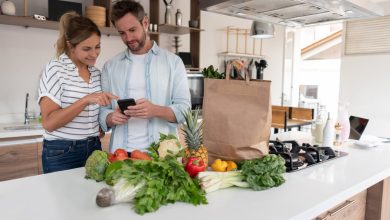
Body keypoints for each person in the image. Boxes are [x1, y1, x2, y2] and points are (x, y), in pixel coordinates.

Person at [99, 0, 191, 153]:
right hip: (121, 155)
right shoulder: (110, 66)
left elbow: (185, 111)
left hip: (162, 155)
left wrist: (155, 110)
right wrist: (110, 117)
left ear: (145, 23)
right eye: (122, 33)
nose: (128, 38)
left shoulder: (173, 62)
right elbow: (102, 110)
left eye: (132, 30)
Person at [38, 12, 117, 173]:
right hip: (62, 152)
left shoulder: (96, 74)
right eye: (87, 48)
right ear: (70, 46)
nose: (94, 54)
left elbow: (95, 121)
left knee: (91, 198)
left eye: (98, 46)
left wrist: (102, 124)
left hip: (94, 148)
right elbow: (49, 123)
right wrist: (85, 100)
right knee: (61, 199)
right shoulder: (55, 69)